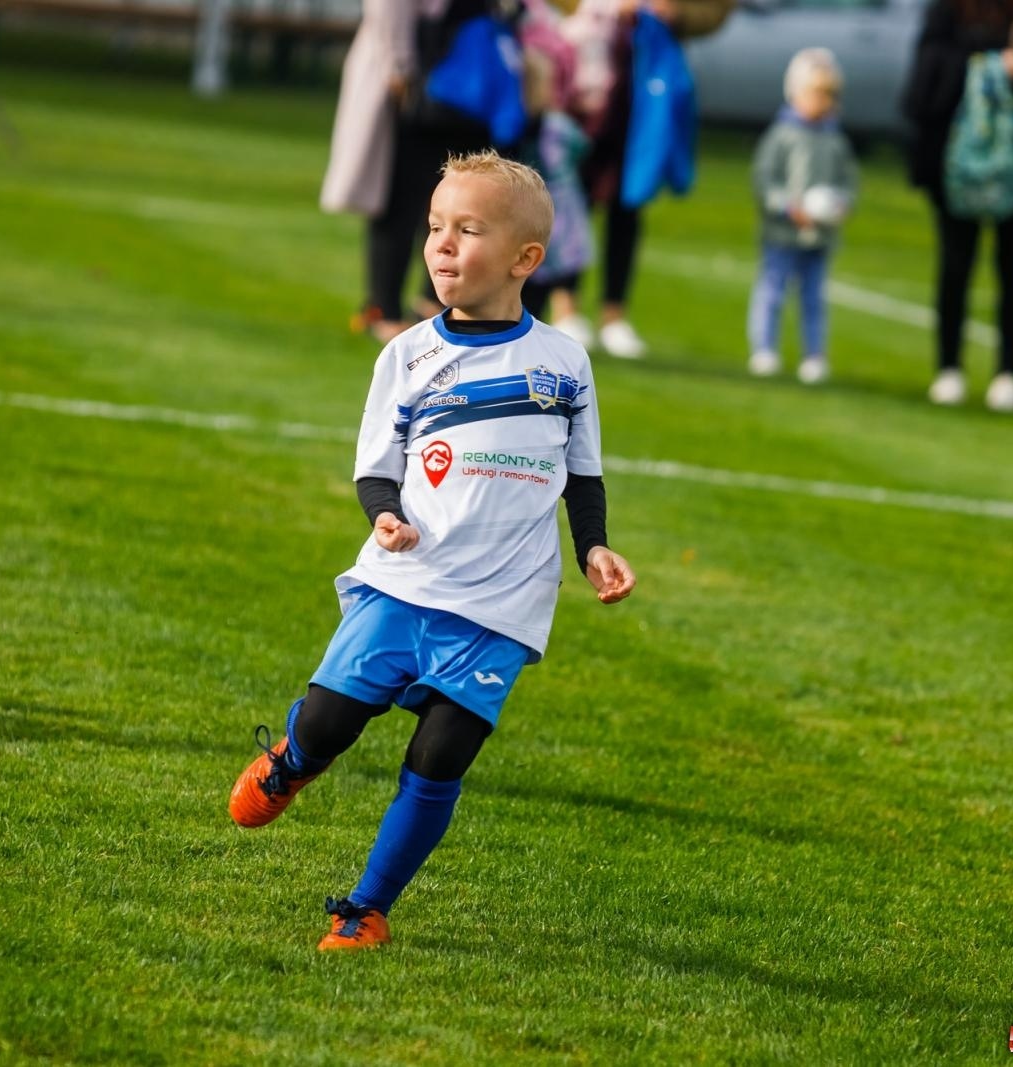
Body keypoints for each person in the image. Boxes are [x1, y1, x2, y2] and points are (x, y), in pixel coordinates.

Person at [230, 150, 636, 952]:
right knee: (331, 723)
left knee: (441, 753)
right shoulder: (408, 354)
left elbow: (580, 474)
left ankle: (366, 907)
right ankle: (293, 759)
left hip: (503, 603)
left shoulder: (564, 363)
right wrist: (385, 518)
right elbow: (376, 467)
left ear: (526, 258)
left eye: (467, 230)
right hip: (405, 581)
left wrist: (593, 549)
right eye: (435, 228)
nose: (443, 245)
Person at [902, 0, 1013, 413]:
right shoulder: (949, 10)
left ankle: (1008, 373)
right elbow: (925, 79)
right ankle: (948, 368)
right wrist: (998, 66)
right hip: (959, 163)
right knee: (955, 265)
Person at [556, 0, 733, 358]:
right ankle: (565, 309)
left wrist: (676, 12)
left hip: (642, 89)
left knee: (629, 204)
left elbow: (716, 10)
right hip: (585, 89)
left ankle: (614, 314)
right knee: (572, 201)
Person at [321, 0, 496, 344]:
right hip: (415, 79)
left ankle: (432, 302)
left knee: (452, 199)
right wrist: (401, 70)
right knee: (398, 197)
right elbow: (390, 10)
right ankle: (384, 308)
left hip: (460, 82)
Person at [746, 48, 859, 384]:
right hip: (782, 233)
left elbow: (848, 180)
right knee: (773, 289)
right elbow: (764, 180)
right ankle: (764, 348)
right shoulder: (781, 136)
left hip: (819, 236)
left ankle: (814, 354)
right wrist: (786, 206)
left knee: (814, 296)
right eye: (815, 93)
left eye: (828, 94)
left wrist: (840, 204)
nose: (821, 101)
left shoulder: (836, 140)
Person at [518, 28, 594, 323]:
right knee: (557, 272)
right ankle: (560, 317)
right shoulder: (557, 126)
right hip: (558, 209)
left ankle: (558, 317)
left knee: (543, 275)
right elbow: (582, 148)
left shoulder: (519, 129)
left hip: (550, 210)